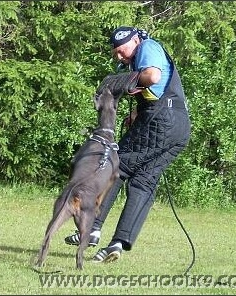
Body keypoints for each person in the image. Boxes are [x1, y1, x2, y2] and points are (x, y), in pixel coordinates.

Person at [65, 26, 191, 263]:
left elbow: (152, 76)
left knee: (115, 166)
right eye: (116, 55)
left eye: (122, 51)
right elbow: (156, 90)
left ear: (135, 41)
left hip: (162, 123)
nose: (120, 57)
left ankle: (92, 228)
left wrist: (120, 81)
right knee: (144, 182)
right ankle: (118, 243)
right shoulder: (139, 57)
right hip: (179, 128)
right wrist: (136, 114)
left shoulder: (147, 47)